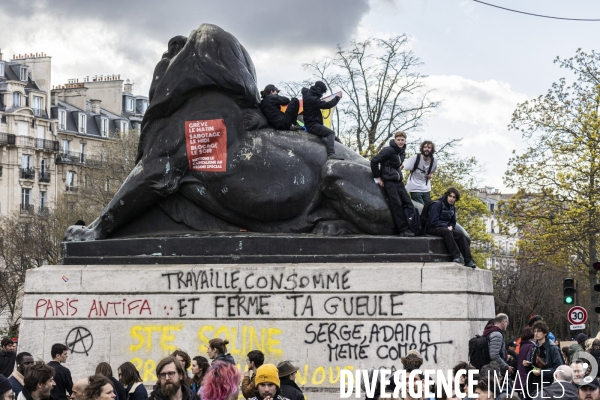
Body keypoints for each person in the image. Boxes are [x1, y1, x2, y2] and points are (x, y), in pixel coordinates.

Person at [371, 131, 416, 237]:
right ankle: (402, 230)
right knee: (397, 205)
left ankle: (412, 226)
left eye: (402, 140)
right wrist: (378, 177)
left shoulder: (402, 152)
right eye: (398, 140)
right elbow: (374, 161)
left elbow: (396, 165)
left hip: (398, 181)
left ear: (405, 141)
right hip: (389, 182)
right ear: (395, 140)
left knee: (408, 203)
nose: (400, 142)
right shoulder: (388, 150)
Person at [425, 187, 476, 267]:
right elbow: (432, 221)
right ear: (446, 196)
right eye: (450, 196)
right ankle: (456, 256)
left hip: (445, 228)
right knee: (447, 232)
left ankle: (468, 260)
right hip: (433, 228)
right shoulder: (437, 204)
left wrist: (451, 226)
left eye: (454, 197)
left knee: (460, 235)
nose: (451, 199)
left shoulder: (452, 208)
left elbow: (453, 221)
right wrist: (446, 226)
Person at [301, 80, 343, 160]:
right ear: (319, 90)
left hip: (312, 123)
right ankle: (331, 154)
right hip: (312, 125)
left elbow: (303, 89)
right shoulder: (313, 99)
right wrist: (337, 97)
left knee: (336, 138)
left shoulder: (306, 92)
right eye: (322, 93)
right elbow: (328, 105)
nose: (322, 95)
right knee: (331, 133)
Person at [524, 320, 564, 391]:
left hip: (549, 386)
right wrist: (527, 365)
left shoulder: (553, 348)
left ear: (545, 333)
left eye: (538, 331)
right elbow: (533, 369)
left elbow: (559, 369)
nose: (536, 333)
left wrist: (542, 372)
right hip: (534, 386)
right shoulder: (533, 348)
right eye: (535, 331)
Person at [403, 141, 437, 205]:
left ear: (432, 149)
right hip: (414, 187)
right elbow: (403, 165)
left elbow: (434, 169)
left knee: (428, 208)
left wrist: (430, 174)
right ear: (422, 148)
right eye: (425, 147)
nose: (426, 149)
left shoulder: (434, 160)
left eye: (429, 147)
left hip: (426, 188)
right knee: (420, 207)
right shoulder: (415, 158)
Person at [514, 327, 535, 399]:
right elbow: (530, 362)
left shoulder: (523, 346)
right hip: (527, 379)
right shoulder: (531, 346)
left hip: (521, 379)